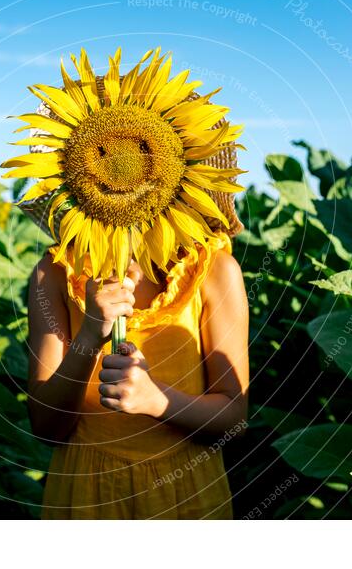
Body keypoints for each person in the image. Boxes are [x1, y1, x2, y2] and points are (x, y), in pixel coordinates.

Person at [25, 199, 250, 519]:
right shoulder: (57, 273)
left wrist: (156, 400)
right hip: (87, 492)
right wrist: (89, 336)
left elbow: (234, 419)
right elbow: (46, 426)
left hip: (184, 496)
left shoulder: (212, 269)